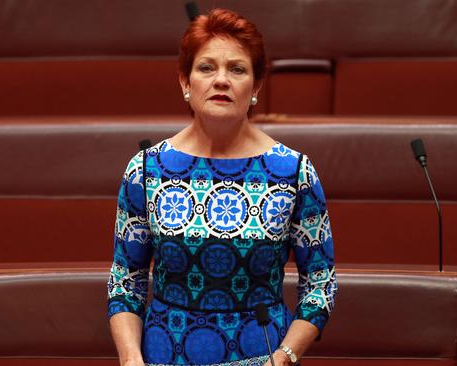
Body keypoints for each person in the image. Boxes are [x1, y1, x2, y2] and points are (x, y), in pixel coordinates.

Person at [108, 8, 337, 366]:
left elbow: (320, 285)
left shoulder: (293, 171)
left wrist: (285, 356)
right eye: (206, 68)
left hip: (262, 357)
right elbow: (126, 282)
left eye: (237, 69)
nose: (221, 80)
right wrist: (130, 358)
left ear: (256, 85)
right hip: (163, 356)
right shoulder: (146, 170)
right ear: (185, 81)